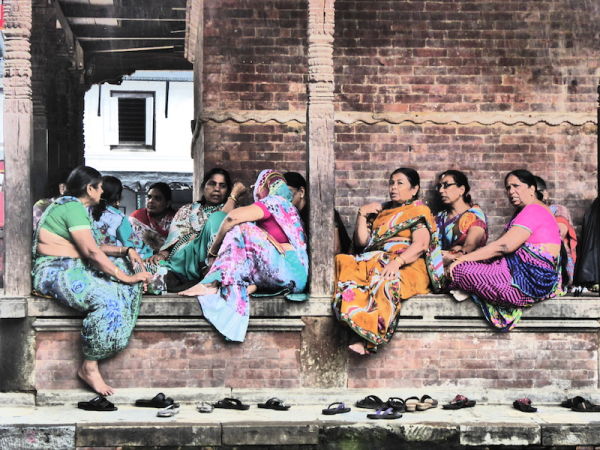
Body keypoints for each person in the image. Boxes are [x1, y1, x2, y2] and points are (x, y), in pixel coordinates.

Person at [32, 166, 151, 396]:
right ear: (90, 188)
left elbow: (95, 247)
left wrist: (126, 250)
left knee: (123, 287)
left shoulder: (78, 209)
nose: (102, 193)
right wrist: (126, 276)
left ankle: (110, 343)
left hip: (73, 266)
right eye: (100, 188)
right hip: (54, 271)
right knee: (107, 299)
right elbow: (92, 253)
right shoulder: (71, 207)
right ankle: (89, 366)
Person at [179, 170, 309, 342]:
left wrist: (213, 252)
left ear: (265, 186)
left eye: (258, 187)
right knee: (249, 243)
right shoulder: (290, 210)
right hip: (294, 277)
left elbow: (232, 218)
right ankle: (238, 285)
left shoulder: (273, 202)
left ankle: (212, 281)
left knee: (241, 229)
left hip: (286, 268)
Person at [333, 168, 444, 355]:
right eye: (391, 183)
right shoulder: (381, 212)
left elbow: (421, 244)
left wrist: (397, 262)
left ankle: (368, 336)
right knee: (343, 262)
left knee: (384, 280)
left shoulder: (418, 211)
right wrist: (362, 214)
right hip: (377, 259)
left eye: (400, 183)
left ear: (414, 189)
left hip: (409, 264)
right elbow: (362, 242)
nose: (393, 187)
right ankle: (356, 322)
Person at [448, 169, 561, 331]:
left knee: (459, 270)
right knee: (470, 264)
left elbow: (504, 246)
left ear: (531, 189)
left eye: (516, 186)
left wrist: (462, 259)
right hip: (525, 275)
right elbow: (500, 245)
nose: (511, 192)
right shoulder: (529, 210)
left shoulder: (533, 209)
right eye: (508, 188)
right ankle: (472, 287)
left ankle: (471, 288)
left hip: (528, 281)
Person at [144, 168, 246, 293]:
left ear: (227, 191)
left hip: (212, 258)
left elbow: (224, 222)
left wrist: (234, 196)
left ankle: (211, 272)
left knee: (217, 218)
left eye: (222, 186)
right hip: (182, 260)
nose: (217, 189)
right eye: (212, 184)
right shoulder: (187, 209)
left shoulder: (234, 211)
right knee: (144, 267)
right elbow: (174, 239)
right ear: (204, 187)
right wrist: (162, 254)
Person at [283, 171, 351, 254]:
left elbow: (335, 249)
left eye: (287, 193)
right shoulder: (293, 215)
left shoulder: (320, 212)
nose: (284, 198)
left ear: (301, 192)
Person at [90, 175, 153, 261]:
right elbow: (131, 242)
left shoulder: (86, 211)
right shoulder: (119, 218)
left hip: (89, 258)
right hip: (112, 261)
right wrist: (148, 251)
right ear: (117, 197)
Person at [435, 170, 488, 267]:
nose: (441, 190)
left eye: (446, 185)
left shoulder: (474, 215)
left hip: (465, 266)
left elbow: (471, 245)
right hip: (438, 266)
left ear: (461, 190)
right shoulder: (440, 217)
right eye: (439, 186)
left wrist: (456, 254)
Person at [534, 175, 577, 288]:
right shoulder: (525, 213)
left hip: (558, 267)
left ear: (545, 193)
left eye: (537, 192)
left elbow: (559, 233)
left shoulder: (557, 209)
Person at [129, 182, 176, 252]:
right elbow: (130, 242)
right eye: (149, 197)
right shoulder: (137, 217)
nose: (150, 201)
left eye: (157, 198)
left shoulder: (177, 220)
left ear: (167, 204)